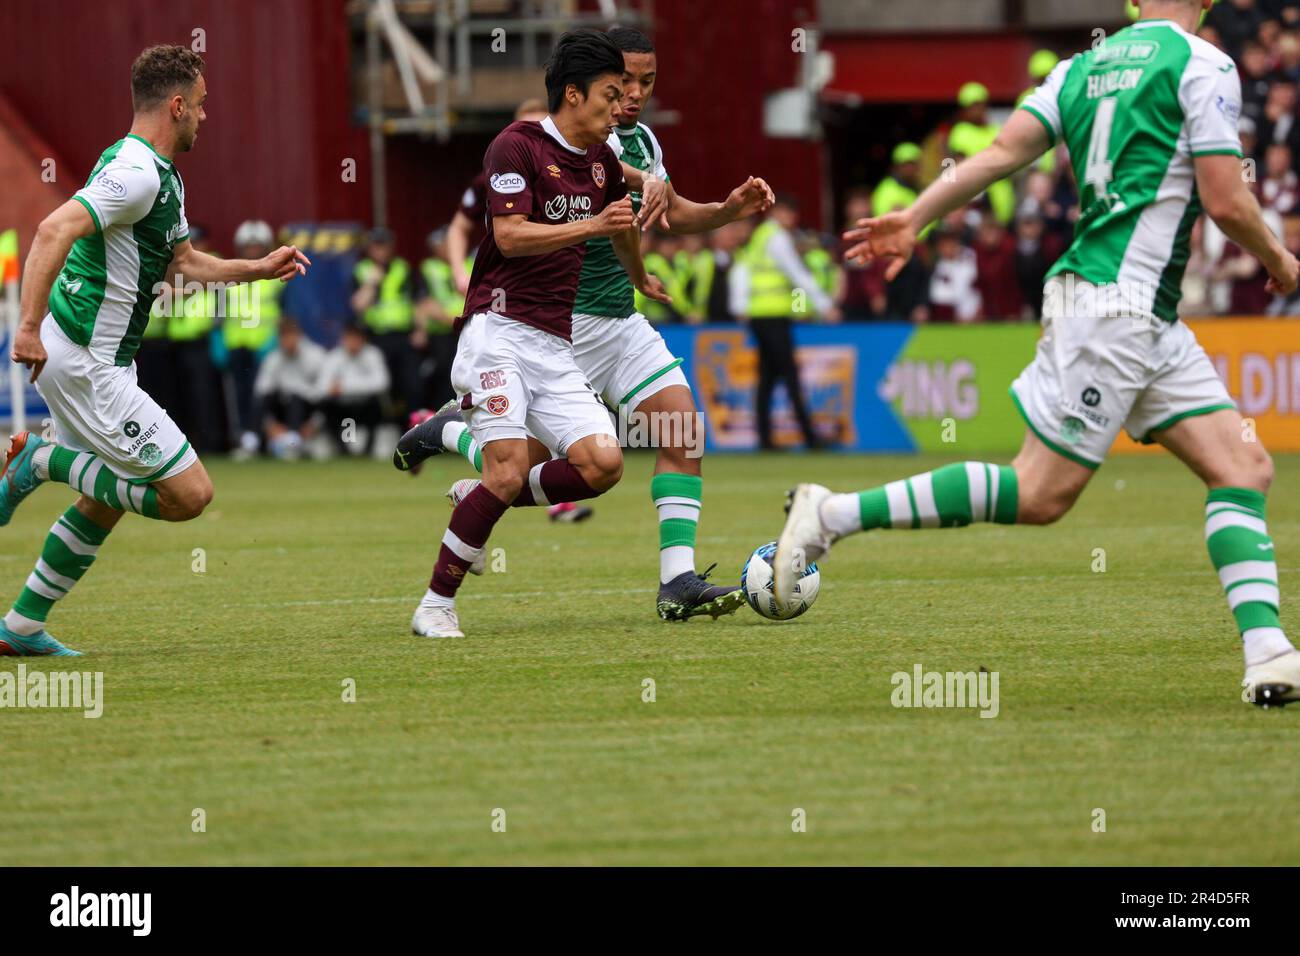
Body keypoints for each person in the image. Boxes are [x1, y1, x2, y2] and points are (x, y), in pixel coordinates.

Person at [777, 0, 1300, 707]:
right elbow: (1226, 199)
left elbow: (998, 154)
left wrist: (917, 215)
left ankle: (1269, 656)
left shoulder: (1080, 69)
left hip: (1136, 312)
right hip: (1116, 309)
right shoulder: (1205, 64)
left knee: (1243, 466)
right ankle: (831, 514)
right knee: (1040, 492)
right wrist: (1281, 259)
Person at [398, 25, 775, 622]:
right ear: (586, 85)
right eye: (621, 81)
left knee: (681, 431)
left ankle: (676, 580)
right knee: (512, 464)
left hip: (618, 323)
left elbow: (661, 214)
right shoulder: (537, 143)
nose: (633, 94)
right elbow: (525, 231)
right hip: (553, 324)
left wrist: (724, 213)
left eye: (646, 82)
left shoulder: (638, 146)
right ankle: (453, 438)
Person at [0, 44, 309, 656]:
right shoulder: (136, 173)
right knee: (189, 495)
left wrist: (259, 269)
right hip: (87, 360)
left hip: (98, 357)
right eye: (199, 105)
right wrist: (27, 326)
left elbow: (183, 264)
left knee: (106, 498)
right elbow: (52, 229)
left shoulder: (150, 171)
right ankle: (40, 460)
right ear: (176, 105)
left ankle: (21, 626)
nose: (204, 116)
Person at [405, 28, 670, 639]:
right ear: (573, 96)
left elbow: (624, 220)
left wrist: (640, 273)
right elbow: (510, 237)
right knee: (506, 471)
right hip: (496, 332)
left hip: (553, 344)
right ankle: (435, 606)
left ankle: (480, 494)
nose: (620, 105)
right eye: (610, 93)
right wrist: (593, 225)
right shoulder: (516, 146)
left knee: (603, 465)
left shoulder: (602, 160)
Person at [743, 194, 837, 449]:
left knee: (769, 378)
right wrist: (825, 305)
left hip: (761, 316)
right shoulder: (776, 238)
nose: (790, 219)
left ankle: (765, 439)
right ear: (776, 213)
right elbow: (797, 273)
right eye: (786, 213)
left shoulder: (761, 236)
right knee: (790, 376)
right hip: (772, 317)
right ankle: (809, 437)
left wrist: (740, 306)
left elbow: (742, 270)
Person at [446, 99, 550, 297]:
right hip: (507, 287)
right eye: (523, 132)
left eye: (538, 133)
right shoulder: (492, 179)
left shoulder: (570, 175)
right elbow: (458, 228)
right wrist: (460, 274)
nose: (531, 141)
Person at [222, 219, 283, 458]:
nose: (253, 252)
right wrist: (219, 339)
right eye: (248, 247)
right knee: (239, 397)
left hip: (266, 347)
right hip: (236, 346)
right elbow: (220, 313)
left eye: (257, 247)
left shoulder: (277, 278)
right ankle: (246, 439)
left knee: (264, 396)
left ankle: (267, 440)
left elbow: (284, 314)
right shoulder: (228, 275)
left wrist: (276, 340)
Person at [350, 227, 423, 419]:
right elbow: (358, 305)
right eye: (376, 246)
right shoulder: (362, 270)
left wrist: (420, 329)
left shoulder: (403, 267)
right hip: (377, 337)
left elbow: (416, 301)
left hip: (404, 335)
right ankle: (386, 428)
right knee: (383, 386)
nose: (380, 251)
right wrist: (372, 282)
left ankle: (412, 427)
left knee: (412, 384)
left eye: (384, 246)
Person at [254, 317, 326, 459]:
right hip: (283, 414)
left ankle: (294, 439)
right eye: (284, 336)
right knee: (269, 398)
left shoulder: (316, 356)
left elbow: (323, 395)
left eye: (291, 335)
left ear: (299, 335)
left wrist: (313, 425)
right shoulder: (272, 359)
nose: (288, 341)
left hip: (309, 413)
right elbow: (262, 392)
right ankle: (252, 442)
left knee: (296, 398)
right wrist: (272, 426)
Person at [317, 323, 389, 456]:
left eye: (356, 338)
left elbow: (382, 383)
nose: (353, 342)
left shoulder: (373, 354)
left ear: (362, 339)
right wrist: (363, 384)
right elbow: (322, 387)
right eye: (350, 338)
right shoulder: (334, 357)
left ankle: (368, 451)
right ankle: (343, 451)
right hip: (342, 408)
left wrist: (343, 386)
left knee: (377, 404)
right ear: (343, 339)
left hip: (364, 406)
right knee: (325, 406)